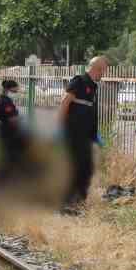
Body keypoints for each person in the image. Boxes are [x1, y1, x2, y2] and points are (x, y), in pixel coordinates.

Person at [56, 55, 108, 210]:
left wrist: (94, 134)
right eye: (103, 71)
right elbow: (65, 102)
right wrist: (61, 128)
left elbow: (89, 111)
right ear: (96, 68)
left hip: (86, 136)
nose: (103, 74)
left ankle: (78, 202)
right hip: (73, 134)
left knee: (86, 169)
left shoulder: (93, 86)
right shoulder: (79, 81)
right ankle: (66, 203)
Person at [0, 78, 26, 173]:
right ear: (9, 89)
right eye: (15, 90)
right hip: (7, 132)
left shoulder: (4, 100)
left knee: (8, 154)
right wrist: (20, 118)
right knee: (9, 155)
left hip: (5, 131)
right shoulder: (5, 101)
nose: (17, 92)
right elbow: (11, 118)